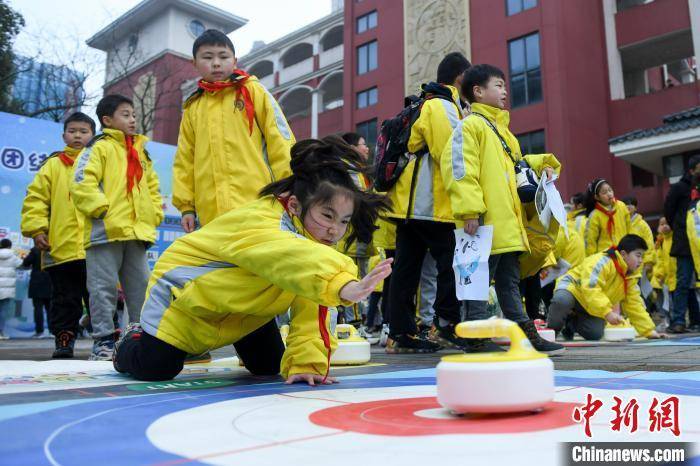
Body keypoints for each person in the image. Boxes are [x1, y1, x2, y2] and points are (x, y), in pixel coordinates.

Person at [113, 136, 392, 384]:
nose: (334, 230)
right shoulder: (263, 222)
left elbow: (314, 299)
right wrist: (344, 284)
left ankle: (203, 346)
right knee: (157, 368)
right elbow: (295, 256)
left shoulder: (316, 243)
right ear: (295, 204)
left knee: (271, 367)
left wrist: (307, 364)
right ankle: (131, 340)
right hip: (184, 303)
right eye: (327, 216)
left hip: (246, 310)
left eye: (344, 221)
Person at [440, 63, 565, 354]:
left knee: (508, 281)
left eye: (504, 86)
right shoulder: (470, 126)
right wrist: (469, 210)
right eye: (498, 85)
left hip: (507, 222)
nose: (505, 91)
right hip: (483, 220)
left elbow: (515, 167)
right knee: (479, 280)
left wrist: (542, 163)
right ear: (478, 91)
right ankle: (476, 335)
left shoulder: (504, 133)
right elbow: (459, 169)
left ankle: (524, 334)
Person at [384, 52, 472, 353]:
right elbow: (450, 155)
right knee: (451, 265)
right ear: (460, 78)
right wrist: (468, 201)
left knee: (406, 270)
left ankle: (401, 334)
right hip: (431, 205)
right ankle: (446, 326)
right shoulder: (442, 106)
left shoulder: (425, 103)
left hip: (409, 205)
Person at [173, 29, 295, 233]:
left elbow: (280, 138)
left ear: (235, 61)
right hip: (210, 213)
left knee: (259, 261)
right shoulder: (192, 108)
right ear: (194, 63)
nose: (216, 63)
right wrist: (186, 207)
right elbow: (185, 159)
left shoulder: (252, 90)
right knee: (222, 265)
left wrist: (288, 185)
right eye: (207, 57)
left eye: (223, 56)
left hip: (258, 203)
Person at [70, 95, 164, 360]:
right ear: (107, 120)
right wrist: (101, 209)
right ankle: (103, 341)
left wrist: (154, 213)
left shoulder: (141, 152)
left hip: (136, 233)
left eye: (133, 114)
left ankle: (141, 337)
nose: (132, 119)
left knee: (142, 288)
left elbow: (153, 188)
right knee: (103, 289)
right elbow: (81, 181)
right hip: (105, 232)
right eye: (125, 114)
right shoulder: (99, 147)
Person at [21, 112, 94, 357]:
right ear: (64, 135)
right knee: (64, 298)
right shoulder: (52, 165)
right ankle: (64, 339)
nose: (77, 135)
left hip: (95, 247)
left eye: (83, 132)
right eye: (73, 131)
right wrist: (37, 229)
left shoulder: (101, 163)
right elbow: (36, 199)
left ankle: (106, 340)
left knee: (98, 297)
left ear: (92, 135)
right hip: (60, 248)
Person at [547, 234, 661, 341]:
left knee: (595, 333)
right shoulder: (602, 262)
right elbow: (591, 288)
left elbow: (634, 304)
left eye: (642, 256)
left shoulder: (630, 277)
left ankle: (570, 321)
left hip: (589, 304)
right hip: (572, 289)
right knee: (562, 301)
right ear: (623, 254)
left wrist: (648, 331)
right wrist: (607, 313)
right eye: (638, 255)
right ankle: (551, 333)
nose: (641, 261)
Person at [664, 155, 700, 333]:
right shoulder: (679, 188)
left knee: (694, 284)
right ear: (692, 170)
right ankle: (678, 321)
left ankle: (696, 320)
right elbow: (668, 211)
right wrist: (680, 229)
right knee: (684, 281)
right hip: (685, 243)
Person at [583, 178, 631, 257]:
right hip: (605, 256)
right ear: (597, 197)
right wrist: (592, 259)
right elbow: (590, 242)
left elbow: (629, 229)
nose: (609, 194)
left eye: (610, 190)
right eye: (604, 192)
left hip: (624, 253)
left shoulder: (621, 206)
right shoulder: (595, 215)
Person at [21, 247, 51, 338]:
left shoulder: (35, 251)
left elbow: (25, 263)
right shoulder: (52, 249)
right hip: (50, 282)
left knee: (38, 308)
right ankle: (52, 331)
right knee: (50, 309)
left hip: (36, 282)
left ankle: (39, 332)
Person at [622, 195, 655, 269]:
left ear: (636, 208)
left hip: (640, 264)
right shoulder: (620, 224)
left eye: (631, 204)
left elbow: (649, 243)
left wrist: (648, 261)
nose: (628, 206)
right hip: (623, 265)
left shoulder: (642, 225)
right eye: (625, 204)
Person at [0, 239, 22, 339]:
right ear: (10, 246)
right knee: (3, 311)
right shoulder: (13, 256)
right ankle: (1, 333)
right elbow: (21, 264)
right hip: (7, 289)